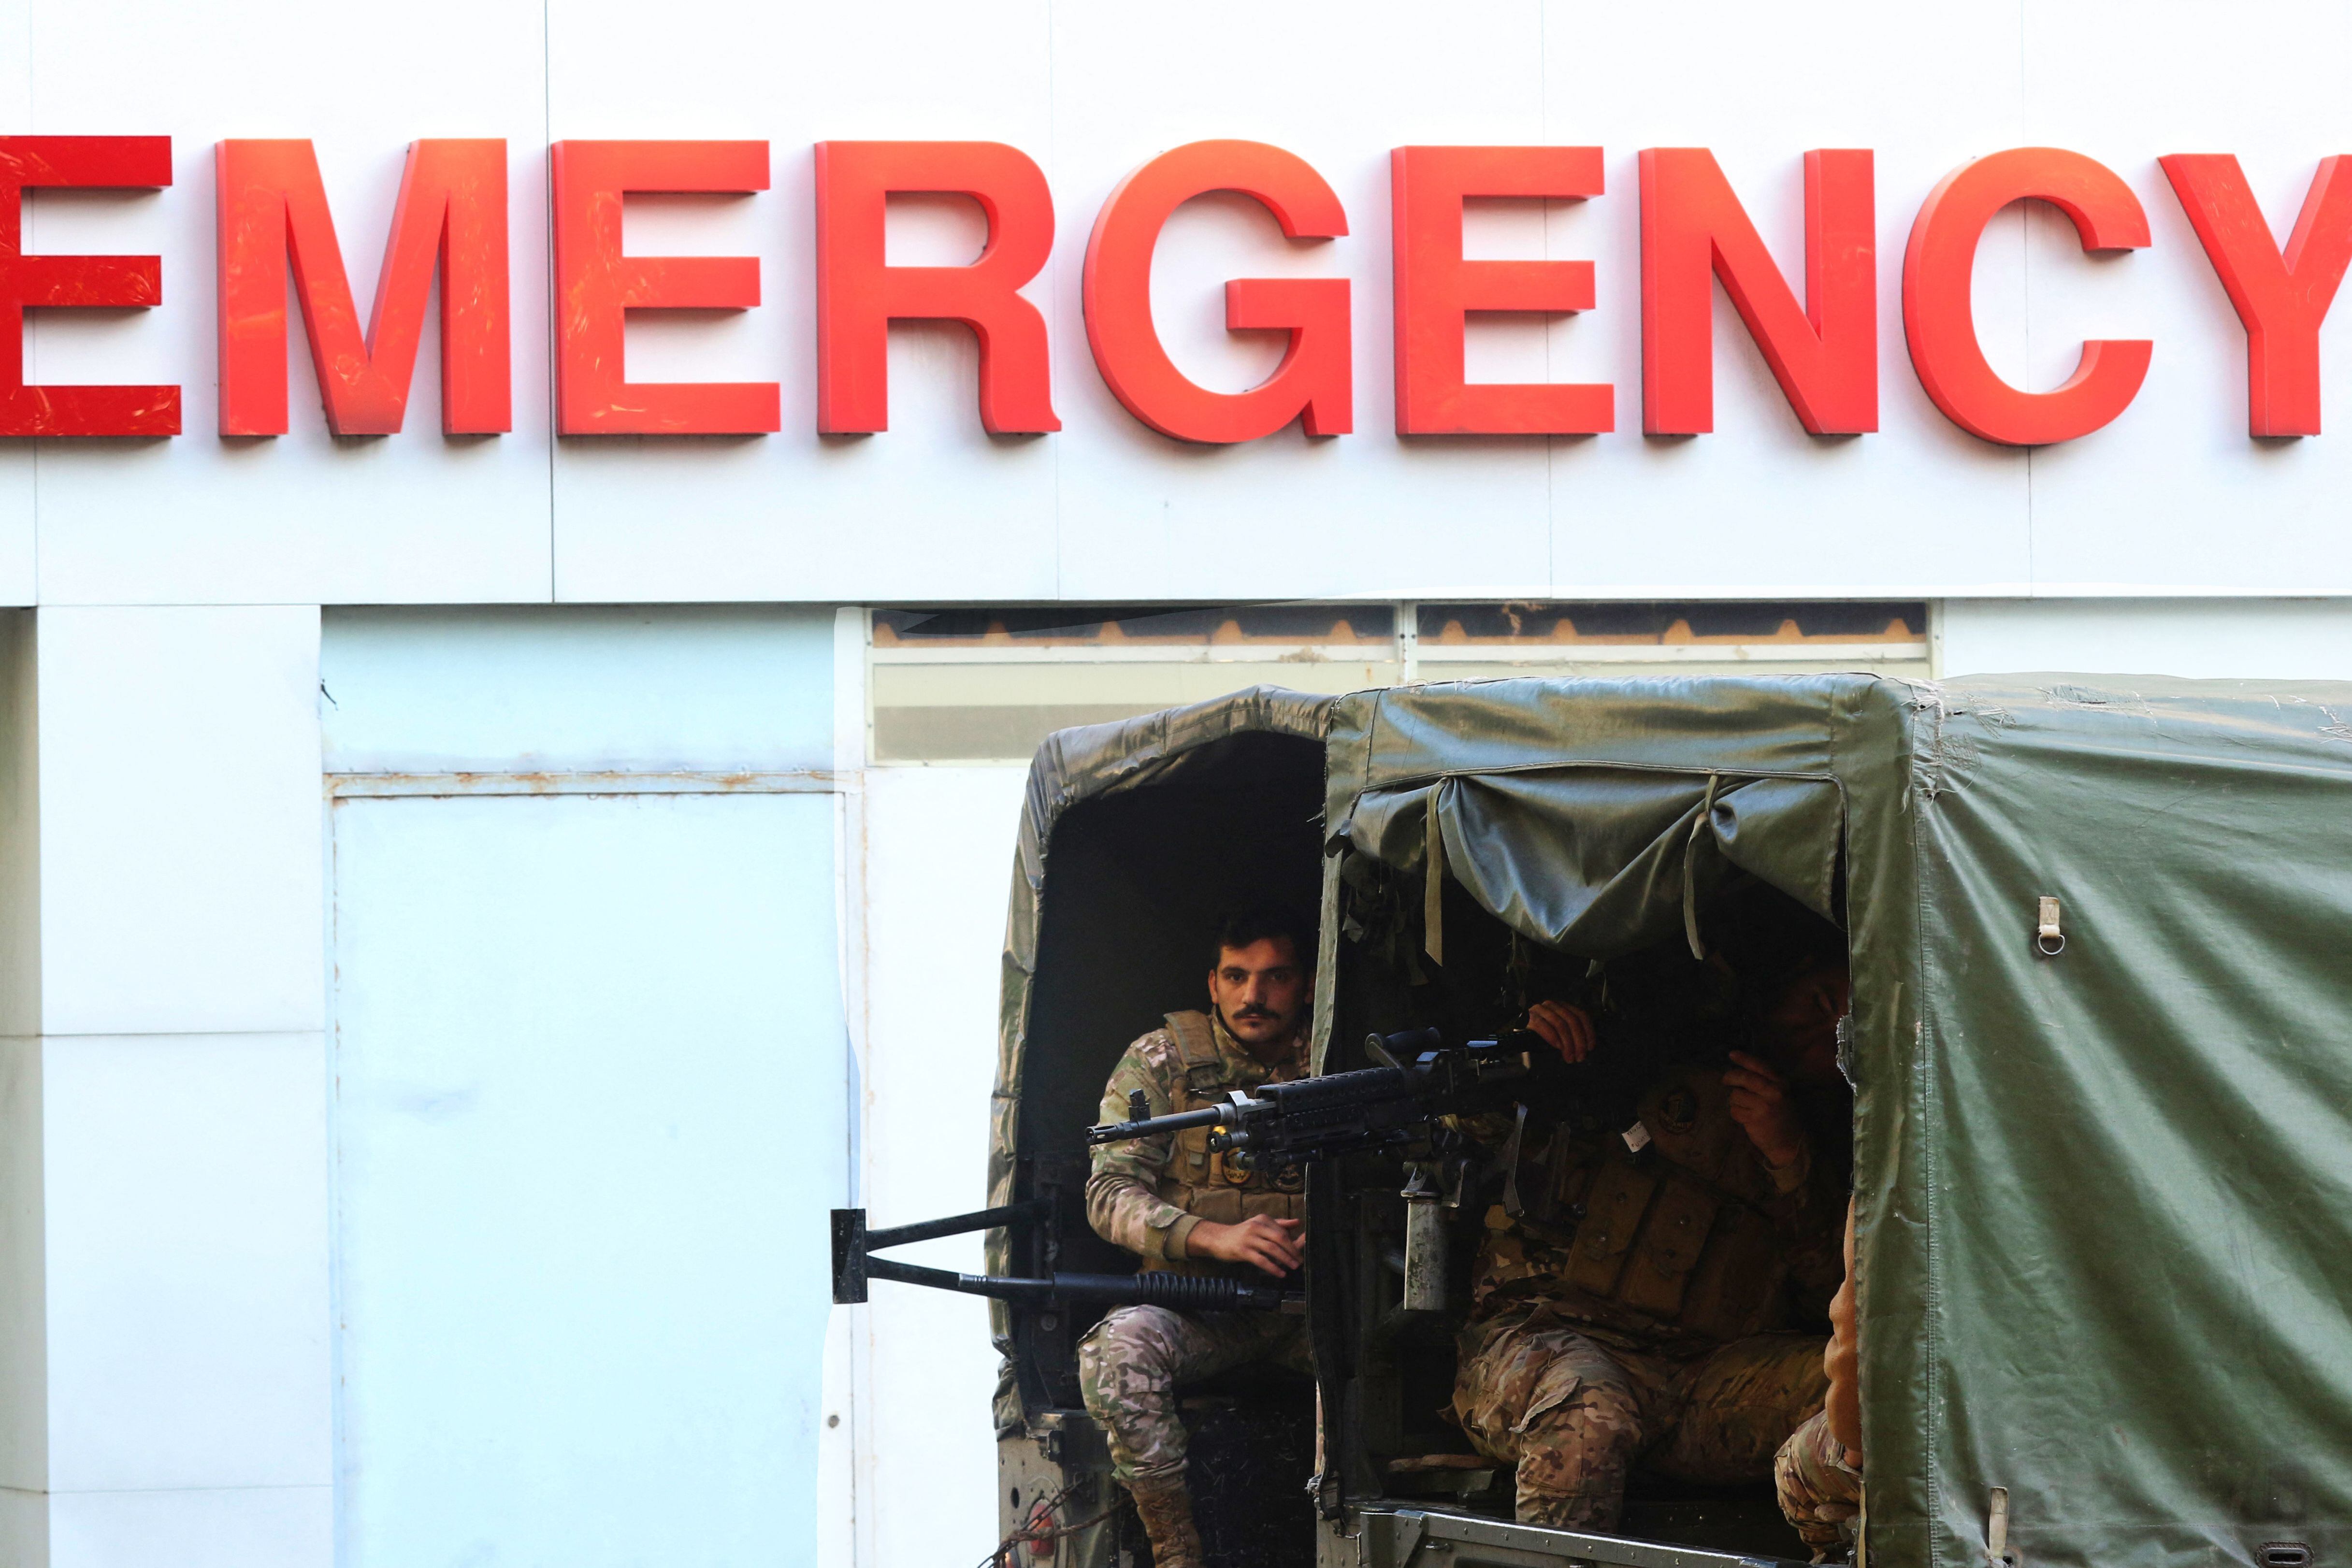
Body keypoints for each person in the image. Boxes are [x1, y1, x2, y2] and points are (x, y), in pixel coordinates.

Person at [1451, 955, 1852, 1532]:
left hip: (1703, 1376)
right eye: (1818, 1001)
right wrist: (1524, 1046)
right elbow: (1458, 1117)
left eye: (1843, 1032)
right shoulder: (1634, 1045)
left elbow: (1831, 1295)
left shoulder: (1839, 1132)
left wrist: (1788, 1158)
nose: (1818, 1030)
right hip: (1551, 1337)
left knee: (1871, 1390)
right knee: (1588, 1411)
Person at [1077, 905, 1318, 1568]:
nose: (1253, 996)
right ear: (1211, 983)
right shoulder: (1160, 1062)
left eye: (1274, 978)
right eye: (1236, 977)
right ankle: (1176, 1551)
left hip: (1320, 1314)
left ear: (1304, 984)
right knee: (1116, 1352)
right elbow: (1107, 1195)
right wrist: (1212, 1237)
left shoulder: (1340, 1057)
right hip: (1201, 1309)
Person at [1775, 1198, 1865, 1561]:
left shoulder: (1902, 1169)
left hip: (1954, 1459)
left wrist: (1857, 1448)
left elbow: (1858, 1332)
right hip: (2041, 1451)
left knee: (1794, 1466)